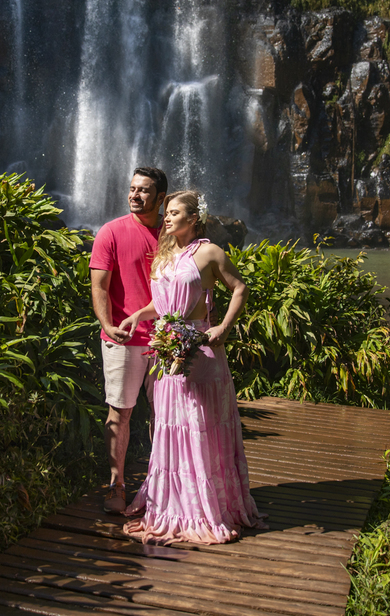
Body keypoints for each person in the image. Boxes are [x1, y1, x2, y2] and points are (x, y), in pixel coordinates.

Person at [115, 190, 263, 544]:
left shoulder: (209, 252)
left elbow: (239, 288)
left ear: (193, 218)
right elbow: (162, 303)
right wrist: (137, 315)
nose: (166, 218)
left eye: (174, 212)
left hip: (199, 352)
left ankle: (203, 506)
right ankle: (172, 502)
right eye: (166, 213)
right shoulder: (167, 254)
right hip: (167, 353)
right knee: (170, 426)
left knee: (200, 427)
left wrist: (223, 328)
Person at [89, 166, 168, 514]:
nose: (135, 195)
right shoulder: (111, 232)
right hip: (124, 338)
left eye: (144, 190)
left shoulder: (174, 232)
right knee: (119, 412)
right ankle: (115, 483)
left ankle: (162, 484)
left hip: (168, 340)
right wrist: (108, 323)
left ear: (161, 198)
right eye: (132, 189)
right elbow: (99, 286)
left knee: (166, 415)